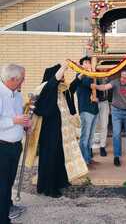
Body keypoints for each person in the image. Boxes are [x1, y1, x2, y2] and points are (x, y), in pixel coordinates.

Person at [34, 63, 77, 198]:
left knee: (59, 156)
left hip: (59, 132)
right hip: (48, 133)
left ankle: (60, 181)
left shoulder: (59, 89)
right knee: (50, 158)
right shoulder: (46, 88)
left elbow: (71, 89)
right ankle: (49, 188)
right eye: (61, 76)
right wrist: (64, 66)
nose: (63, 78)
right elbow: (52, 84)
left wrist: (82, 74)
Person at [0, 64, 31, 224]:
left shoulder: (17, 94)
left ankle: (6, 213)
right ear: (12, 79)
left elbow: (19, 116)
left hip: (15, 146)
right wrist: (15, 120)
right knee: (2, 187)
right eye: (22, 79)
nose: (23, 82)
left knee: (8, 185)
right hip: (2, 148)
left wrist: (24, 124)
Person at [93, 69, 126, 166]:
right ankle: (117, 156)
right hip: (116, 111)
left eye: (124, 77)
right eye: (121, 76)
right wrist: (96, 86)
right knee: (116, 133)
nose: (122, 79)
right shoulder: (115, 82)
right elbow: (105, 87)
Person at [70, 56, 99, 166]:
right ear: (81, 65)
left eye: (89, 62)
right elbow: (91, 84)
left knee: (90, 137)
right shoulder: (80, 76)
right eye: (85, 63)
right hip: (86, 109)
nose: (88, 64)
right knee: (85, 136)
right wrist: (92, 71)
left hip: (94, 109)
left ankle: (88, 158)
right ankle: (84, 161)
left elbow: (97, 88)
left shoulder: (93, 75)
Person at [96, 77, 110, 156]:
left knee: (104, 124)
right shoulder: (92, 73)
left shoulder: (107, 76)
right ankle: (90, 147)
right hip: (94, 102)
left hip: (105, 102)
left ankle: (102, 146)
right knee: (94, 125)